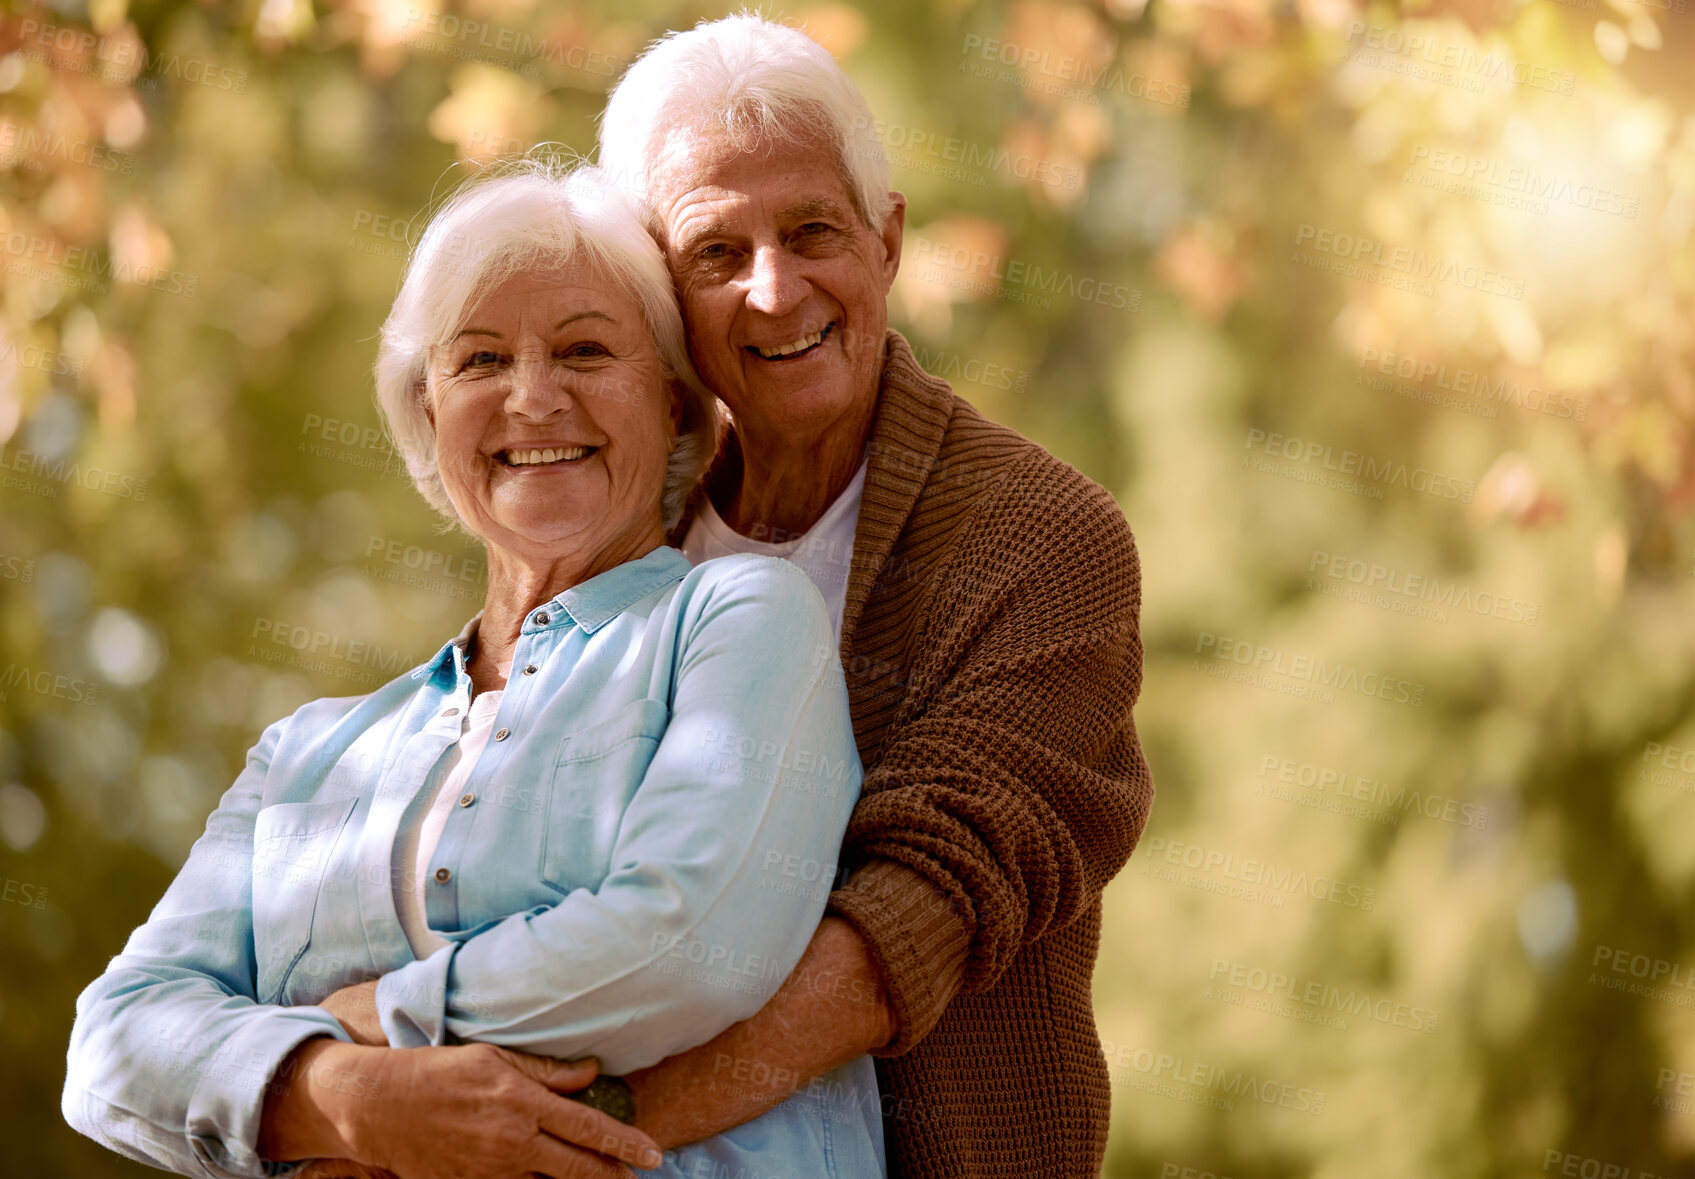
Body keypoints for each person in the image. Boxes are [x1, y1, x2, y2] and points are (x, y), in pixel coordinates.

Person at [61, 162, 887, 1179]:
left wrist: (385, 1020)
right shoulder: (310, 753)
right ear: (428, 412)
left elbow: (689, 939)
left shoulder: (741, 619)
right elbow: (113, 1041)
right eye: (481, 360)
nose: (533, 399)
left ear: (677, 408)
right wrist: (337, 1096)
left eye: (586, 351)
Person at [592, 16, 1156, 1176]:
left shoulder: (1042, 540)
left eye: (813, 232)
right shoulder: (612, 532)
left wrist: (574, 1134)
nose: (774, 289)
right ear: (656, 292)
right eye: (714, 252)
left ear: (887, 240)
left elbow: (913, 916)